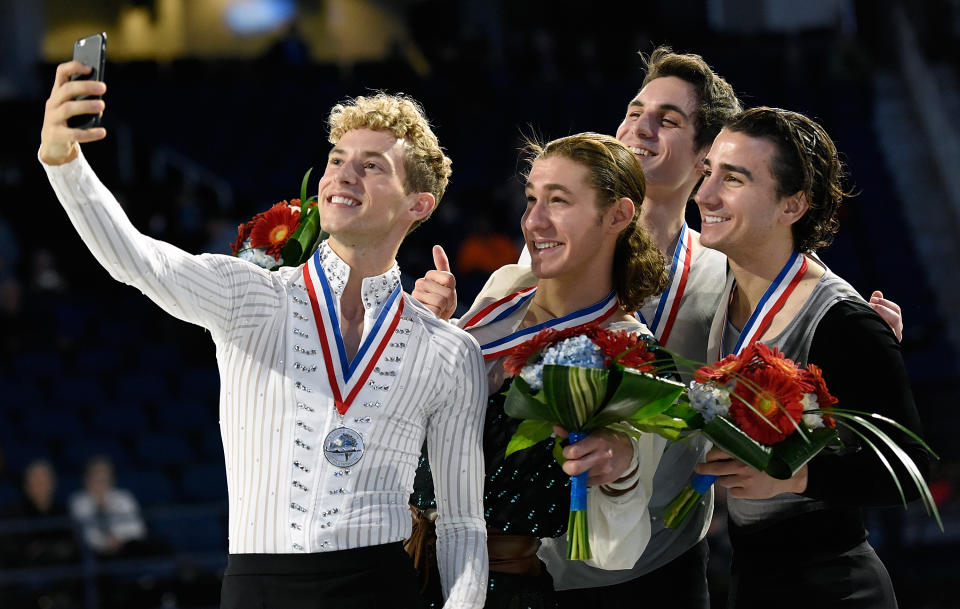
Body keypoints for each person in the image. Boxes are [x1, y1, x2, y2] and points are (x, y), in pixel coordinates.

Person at [415, 46, 906, 608]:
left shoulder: (730, 272)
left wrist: (868, 333)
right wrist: (441, 327)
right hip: (524, 559)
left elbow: (798, 299)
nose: (639, 127)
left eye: (667, 121)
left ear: (706, 160)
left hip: (655, 567)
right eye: (634, 110)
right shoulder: (530, 272)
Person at [39, 60, 488, 608]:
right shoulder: (252, 297)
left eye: (371, 166)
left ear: (418, 204)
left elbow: (463, 524)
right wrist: (66, 164)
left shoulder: (447, 349)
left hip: (381, 588)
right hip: (258, 589)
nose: (343, 175)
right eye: (336, 160)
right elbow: (138, 261)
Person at [410, 131, 671, 608]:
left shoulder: (633, 351)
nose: (534, 221)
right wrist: (433, 328)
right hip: (403, 567)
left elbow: (620, 547)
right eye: (531, 199)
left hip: (499, 588)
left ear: (618, 214)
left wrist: (619, 469)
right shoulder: (506, 286)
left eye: (559, 201)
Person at [692, 107, 929, 608]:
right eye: (708, 171)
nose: (705, 194)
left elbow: (909, 472)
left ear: (792, 205)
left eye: (732, 179)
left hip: (835, 589)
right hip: (749, 582)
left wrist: (796, 475)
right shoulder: (713, 287)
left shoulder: (845, 321)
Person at [2, 459, 79, 567]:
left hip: (60, 568)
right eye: (35, 482)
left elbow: (71, 544)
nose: (40, 486)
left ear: (53, 484)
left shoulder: (63, 511)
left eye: (44, 482)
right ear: (26, 486)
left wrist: (45, 549)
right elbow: (12, 547)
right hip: (25, 568)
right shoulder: (13, 512)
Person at [69, 456, 149, 558]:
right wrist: (105, 542)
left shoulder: (124, 497)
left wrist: (119, 538)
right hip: (96, 552)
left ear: (111, 478)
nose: (100, 481)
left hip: (127, 547)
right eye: (96, 476)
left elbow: (138, 529)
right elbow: (85, 534)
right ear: (87, 478)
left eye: (104, 476)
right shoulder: (78, 501)